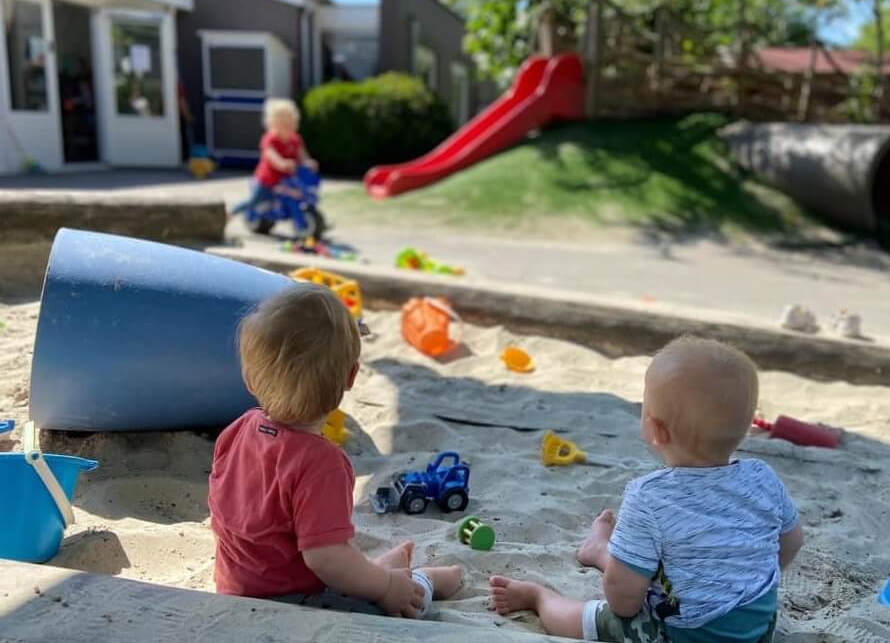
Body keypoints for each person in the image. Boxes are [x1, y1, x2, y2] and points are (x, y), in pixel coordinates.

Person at [490, 336, 804, 643]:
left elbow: (623, 601)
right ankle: (601, 551)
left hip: (685, 633)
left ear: (655, 429)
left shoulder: (649, 497)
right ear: (749, 424)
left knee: (590, 616)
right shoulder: (762, 477)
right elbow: (791, 541)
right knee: (651, 566)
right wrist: (737, 580)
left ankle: (539, 597)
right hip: (758, 629)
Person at [208, 284, 461, 618]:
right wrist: (387, 588)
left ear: (250, 380)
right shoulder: (322, 463)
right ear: (351, 377)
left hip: (235, 587)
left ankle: (379, 573)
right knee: (397, 604)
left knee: (352, 568)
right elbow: (325, 557)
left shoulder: (239, 429)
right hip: (289, 603)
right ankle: (425, 581)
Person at [230, 98, 319, 216]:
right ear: (274, 124)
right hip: (268, 180)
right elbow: (271, 156)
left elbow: (302, 155)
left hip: (287, 179)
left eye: (291, 123)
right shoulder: (270, 139)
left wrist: (308, 162)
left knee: (301, 193)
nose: (288, 127)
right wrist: (281, 163)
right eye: (284, 124)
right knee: (255, 201)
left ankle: (296, 214)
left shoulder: (295, 139)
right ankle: (232, 212)